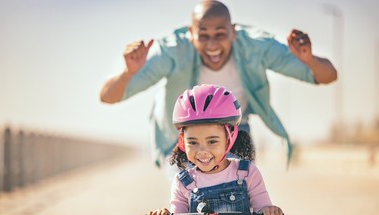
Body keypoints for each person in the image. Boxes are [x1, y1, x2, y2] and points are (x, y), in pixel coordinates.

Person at [100, 0, 337, 176]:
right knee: (187, 201)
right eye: (203, 35)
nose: (212, 44)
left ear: (233, 32)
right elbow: (107, 97)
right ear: (190, 35)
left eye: (220, 34)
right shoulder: (173, 51)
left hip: (234, 129)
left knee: (240, 192)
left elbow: (327, 76)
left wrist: (309, 60)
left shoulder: (256, 46)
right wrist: (128, 73)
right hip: (182, 135)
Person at [148, 84, 284, 215]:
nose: (202, 151)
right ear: (182, 141)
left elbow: (263, 214)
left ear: (230, 137)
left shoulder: (246, 172)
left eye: (212, 141)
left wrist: (270, 213)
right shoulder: (183, 181)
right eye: (193, 142)